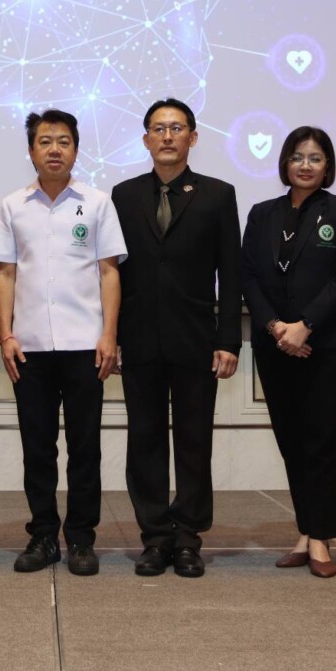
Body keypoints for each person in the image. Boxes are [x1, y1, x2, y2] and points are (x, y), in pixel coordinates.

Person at [0, 109, 127, 576]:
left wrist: (109, 334)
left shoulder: (98, 203)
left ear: (76, 150)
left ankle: (82, 539)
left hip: (86, 345)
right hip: (28, 347)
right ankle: (43, 536)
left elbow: (109, 272)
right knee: (37, 448)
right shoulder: (13, 205)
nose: (54, 150)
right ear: (31, 150)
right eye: (45, 141)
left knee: (85, 448)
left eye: (63, 141)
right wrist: (5, 335)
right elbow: (6, 274)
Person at [110, 98, 240, 578]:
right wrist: (111, 335)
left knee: (193, 441)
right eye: (159, 128)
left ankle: (187, 538)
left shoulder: (218, 195)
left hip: (196, 339)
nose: (167, 136)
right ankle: (155, 537)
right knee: (143, 440)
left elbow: (231, 273)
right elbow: (110, 273)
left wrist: (229, 340)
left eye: (177, 128)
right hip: (138, 339)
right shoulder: (123, 196)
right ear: (146, 139)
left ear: (193, 137)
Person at [240, 126, 336, 578]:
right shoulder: (262, 213)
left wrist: (305, 325)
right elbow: (248, 275)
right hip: (275, 345)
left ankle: (320, 536)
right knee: (292, 442)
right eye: (297, 157)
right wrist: (276, 327)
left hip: (329, 346)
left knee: (323, 442)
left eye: (315, 157)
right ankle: (307, 530)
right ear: (285, 163)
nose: (305, 165)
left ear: (327, 165)